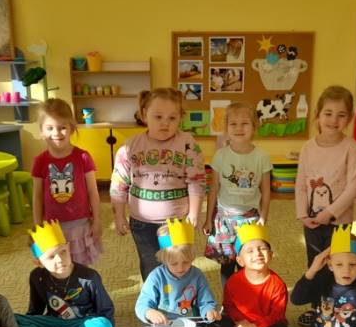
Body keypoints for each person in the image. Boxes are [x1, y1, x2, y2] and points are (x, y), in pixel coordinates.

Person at [110, 88, 207, 280]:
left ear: (180, 118)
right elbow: (119, 184)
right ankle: (154, 297)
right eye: (158, 117)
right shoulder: (130, 146)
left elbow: (197, 180)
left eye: (172, 118)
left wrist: (194, 213)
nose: (165, 123)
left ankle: (178, 296)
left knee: (178, 265)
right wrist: (119, 216)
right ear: (144, 114)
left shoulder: (187, 143)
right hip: (141, 223)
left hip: (177, 220)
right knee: (150, 266)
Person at [294, 85, 356, 326]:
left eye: (341, 115)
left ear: (349, 118)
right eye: (328, 113)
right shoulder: (308, 147)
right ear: (317, 115)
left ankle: (340, 309)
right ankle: (318, 308)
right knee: (315, 264)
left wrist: (330, 213)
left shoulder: (352, 148)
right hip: (311, 221)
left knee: (340, 266)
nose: (334, 120)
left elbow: (353, 188)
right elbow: (301, 184)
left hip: (339, 224)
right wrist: (303, 214)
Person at [15, 220, 117, 327]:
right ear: (38, 262)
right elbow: (35, 309)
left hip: (83, 323)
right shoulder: (37, 277)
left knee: (104, 326)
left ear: (69, 248)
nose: (60, 259)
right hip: (55, 323)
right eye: (51, 257)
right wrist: (30, 325)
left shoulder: (89, 277)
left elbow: (105, 309)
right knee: (14, 320)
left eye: (62, 251)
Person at [130, 219, 222, 327]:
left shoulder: (197, 276)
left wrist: (209, 311)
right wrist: (149, 312)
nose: (181, 268)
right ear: (163, 258)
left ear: (192, 257)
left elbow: (206, 301)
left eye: (186, 262)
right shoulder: (156, 276)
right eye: (174, 263)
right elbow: (142, 304)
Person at [203, 102, 272, 285]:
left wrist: (263, 216)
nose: (239, 128)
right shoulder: (220, 155)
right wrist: (208, 219)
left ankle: (245, 297)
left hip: (250, 219)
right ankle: (229, 298)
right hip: (224, 219)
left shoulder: (262, 157)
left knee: (248, 264)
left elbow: (266, 191)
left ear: (254, 127)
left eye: (245, 124)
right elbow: (213, 189)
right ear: (226, 129)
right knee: (227, 266)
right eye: (233, 124)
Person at [31, 98, 102, 264]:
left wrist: (97, 220)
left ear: (72, 128)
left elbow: (93, 191)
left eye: (62, 127)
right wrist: (37, 226)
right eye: (50, 128)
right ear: (41, 131)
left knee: (80, 267)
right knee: (57, 267)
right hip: (52, 228)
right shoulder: (39, 161)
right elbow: (37, 196)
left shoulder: (83, 157)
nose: (56, 133)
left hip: (80, 224)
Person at [209, 223, 287, 327]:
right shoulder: (233, 281)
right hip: (241, 325)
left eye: (262, 248)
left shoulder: (278, 284)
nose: (257, 253)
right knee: (214, 323)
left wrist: (256, 326)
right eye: (250, 251)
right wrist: (241, 322)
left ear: (271, 255)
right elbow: (229, 306)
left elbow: (277, 315)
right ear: (240, 260)